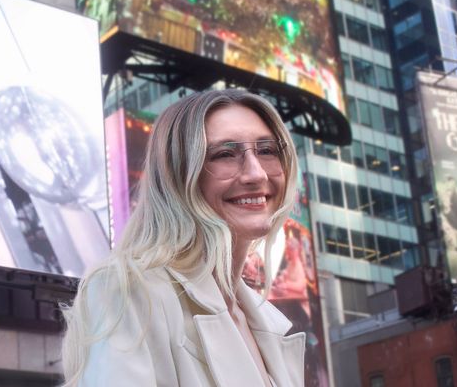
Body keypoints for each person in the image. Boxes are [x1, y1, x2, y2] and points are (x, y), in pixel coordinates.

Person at [61, 89, 304, 386]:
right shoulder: (128, 291)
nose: (256, 174)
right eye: (225, 154)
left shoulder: (264, 318)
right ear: (178, 175)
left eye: (267, 150)